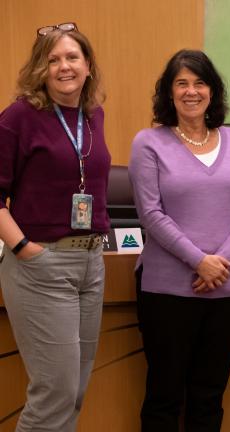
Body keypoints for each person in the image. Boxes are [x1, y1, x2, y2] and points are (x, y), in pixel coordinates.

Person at [128, 49, 230, 432]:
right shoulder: (148, 143)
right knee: (164, 397)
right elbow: (150, 214)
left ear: (213, 91)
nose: (191, 91)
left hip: (228, 287)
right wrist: (199, 261)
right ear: (168, 93)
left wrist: (222, 261)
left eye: (200, 82)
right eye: (181, 83)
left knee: (209, 397)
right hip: (166, 289)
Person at [0, 23, 110, 432]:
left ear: (87, 65)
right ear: (40, 69)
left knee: (75, 390)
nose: (64, 66)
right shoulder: (19, 117)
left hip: (90, 264)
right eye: (53, 59)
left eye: (72, 57)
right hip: (42, 267)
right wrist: (26, 248)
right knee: (54, 393)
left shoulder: (92, 115)